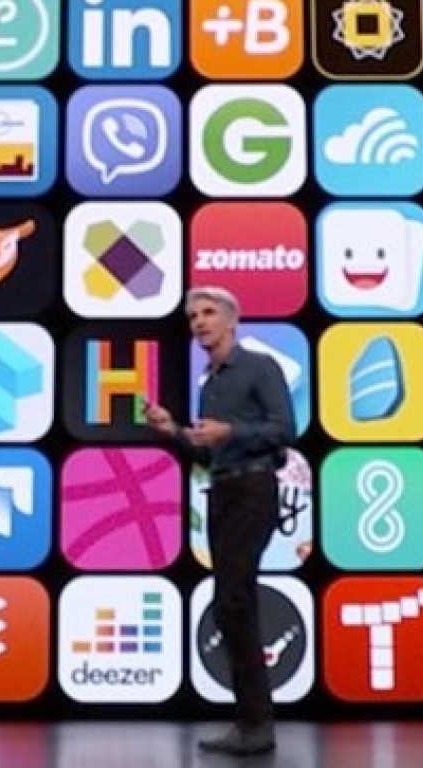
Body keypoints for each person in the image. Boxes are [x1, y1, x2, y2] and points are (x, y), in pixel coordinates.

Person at [145, 285, 296, 756]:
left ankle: (257, 726)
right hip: (222, 491)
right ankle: (250, 723)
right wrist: (173, 432)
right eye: (193, 317)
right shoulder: (208, 384)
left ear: (232, 320)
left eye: (208, 313)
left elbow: (284, 430)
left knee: (234, 600)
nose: (199, 323)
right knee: (230, 606)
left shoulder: (259, 367)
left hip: (254, 490)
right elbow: (207, 456)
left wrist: (230, 431)